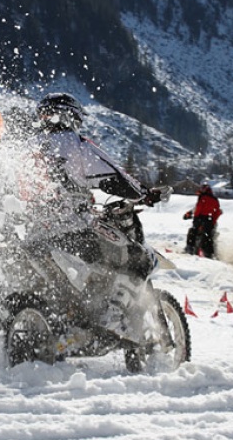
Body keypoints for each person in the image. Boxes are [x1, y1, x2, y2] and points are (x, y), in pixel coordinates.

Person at [17, 92, 164, 342]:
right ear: (71, 116)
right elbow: (114, 177)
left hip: (34, 235)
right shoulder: (76, 144)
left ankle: (75, 321)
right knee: (135, 257)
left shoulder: (26, 148)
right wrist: (143, 194)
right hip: (73, 228)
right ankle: (111, 318)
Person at [183, 182, 223, 258]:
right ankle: (210, 253)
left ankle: (189, 248)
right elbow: (217, 211)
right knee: (209, 237)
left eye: (202, 188)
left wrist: (195, 217)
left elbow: (198, 208)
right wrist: (213, 221)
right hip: (210, 221)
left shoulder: (203, 197)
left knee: (192, 231)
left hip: (200, 219)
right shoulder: (215, 199)